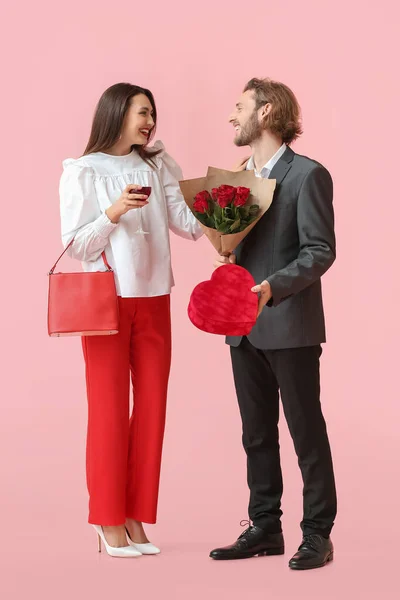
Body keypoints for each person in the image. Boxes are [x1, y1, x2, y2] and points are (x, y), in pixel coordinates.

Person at [59, 82, 202, 558]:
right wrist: (113, 211)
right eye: (142, 112)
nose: (149, 122)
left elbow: (187, 223)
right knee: (108, 410)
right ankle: (106, 519)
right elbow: (77, 244)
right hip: (107, 301)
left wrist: (230, 199)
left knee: (152, 413)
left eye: (152, 115)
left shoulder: (157, 164)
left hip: (156, 298)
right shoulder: (82, 171)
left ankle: (136, 518)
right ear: (116, 113)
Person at [211, 78, 337, 570]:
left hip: (289, 325)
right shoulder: (239, 179)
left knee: (306, 432)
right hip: (242, 328)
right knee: (256, 433)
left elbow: (320, 251)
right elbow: (239, 247)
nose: (231, 116)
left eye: (239, 106)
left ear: (266, 113)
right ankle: (264, 527)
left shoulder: (308, 175)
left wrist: (270, 288)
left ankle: (317, 535)